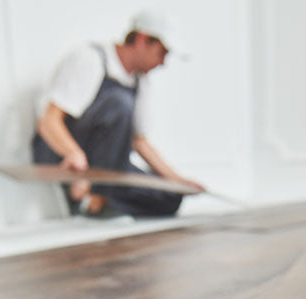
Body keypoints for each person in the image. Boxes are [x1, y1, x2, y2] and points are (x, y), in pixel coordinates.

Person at [31, 10, 205, 217]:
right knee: (119, 104)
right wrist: (73, 154)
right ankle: (95, 199)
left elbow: (139, 141)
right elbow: (49, 121)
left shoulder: (140, 80)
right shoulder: (90, 59)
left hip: (110, 163)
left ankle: (98, 199)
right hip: (62, 153)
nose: (163, 62)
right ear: (142, 40)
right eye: (162, 52)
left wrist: (177, 181)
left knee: (169, 197)